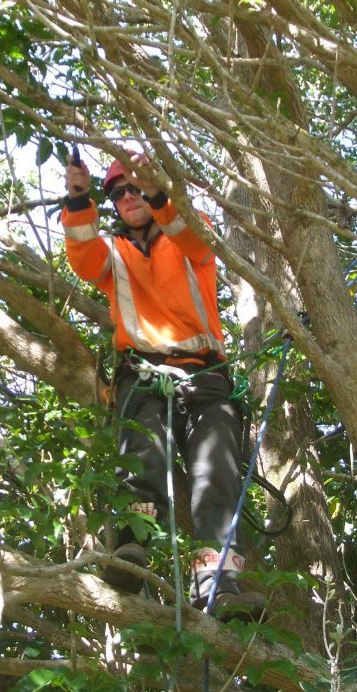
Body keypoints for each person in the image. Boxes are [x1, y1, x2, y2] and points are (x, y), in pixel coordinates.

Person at [60, 146, 263, 620]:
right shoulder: (114, 252)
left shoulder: (187, 237)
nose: (128, 198)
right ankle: (131, 545)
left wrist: (160, 191)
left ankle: (217, 578)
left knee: (217, 480)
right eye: (118, 192)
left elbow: (194, 237)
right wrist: (77, 198)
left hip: (205, 372)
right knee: (142, 460)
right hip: (143, 372)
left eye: (136, 188)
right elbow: (84, 259)